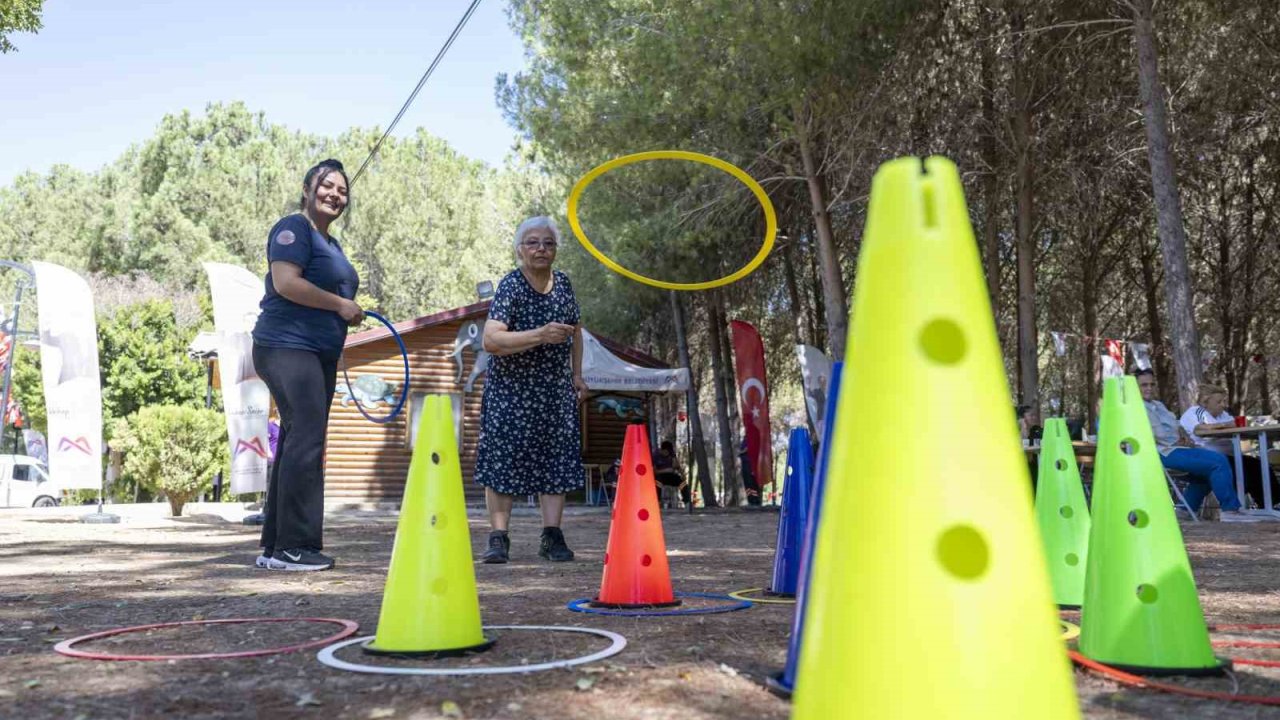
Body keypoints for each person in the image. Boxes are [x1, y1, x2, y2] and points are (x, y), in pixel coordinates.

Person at [251, 159, 364, 570]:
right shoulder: (293, 229)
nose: (335, 194)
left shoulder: (331, 244)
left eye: (342, 190)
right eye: (327, 185)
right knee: (308, 436)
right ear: (306, 189)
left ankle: (276, 547)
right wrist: (340, 304)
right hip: (284, 346)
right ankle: (296, 546)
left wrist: (346, 313)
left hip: (318, 353)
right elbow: (285, 283)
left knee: (300, 437)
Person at [475, 216, 586, 563]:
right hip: (511, 392)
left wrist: (577, 375)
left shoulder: (564, 284)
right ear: (520, 249)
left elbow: (576, 330)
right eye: (533, 242)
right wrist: (540, 334)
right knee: (502, 462)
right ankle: (498, 538)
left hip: (553, 389)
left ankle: (552, 537)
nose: (541, 249)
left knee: (556, 461)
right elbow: (491, 340)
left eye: (548, 243)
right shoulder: (511, 285)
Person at [1134, 369, 1258, 522]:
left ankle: (1184, 511)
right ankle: (1230, 510)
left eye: (1152, 384)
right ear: (1134, 387)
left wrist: (1184, 437)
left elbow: (1176, 424)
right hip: (1161, 452)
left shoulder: (1158, 405)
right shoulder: (1135, 407)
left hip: (1178, 448)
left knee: (1207, 471)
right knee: (1217, 461)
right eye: (1144, 385)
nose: (1149, 388)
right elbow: (1155, 434)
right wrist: (1177, 440)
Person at [1179, 383, 1280, 509]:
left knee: (1258, 464)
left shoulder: (1223, 415)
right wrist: (1226, 426)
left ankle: (1272, 504)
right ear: (1205, 402)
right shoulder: (1195, 412)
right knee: (1245, 469)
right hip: (1208, 456)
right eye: (1218, 402)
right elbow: (1199, 429)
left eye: (1224, 401)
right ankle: (1244, 508)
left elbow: (1234, 424)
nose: (1223, 405)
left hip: (1229, 455)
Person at [654, 440, 690, 506]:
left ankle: (687, 502)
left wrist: (682, 474)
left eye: (668, 452)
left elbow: (677, 467)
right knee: (657, 483)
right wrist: (666, 470)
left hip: (671, 476)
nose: (667, 453)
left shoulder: (671, 455)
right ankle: (657, 502)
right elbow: (654, 471)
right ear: (662, 450)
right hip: (660, 476)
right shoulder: (656, 455)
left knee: (682, 483)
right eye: (665, 452)